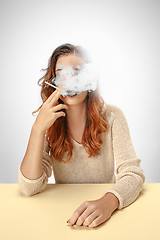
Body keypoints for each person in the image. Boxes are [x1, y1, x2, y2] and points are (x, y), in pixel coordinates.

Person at [18, 43, 145, 228]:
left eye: (77, 72)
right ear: (52, 81)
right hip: (60, 216)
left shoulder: (113, 116)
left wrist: (109, 202)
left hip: (107, 218)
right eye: (62, 73)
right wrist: (37, 130)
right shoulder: (48, 121)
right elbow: (29, 188)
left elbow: (133, 174)